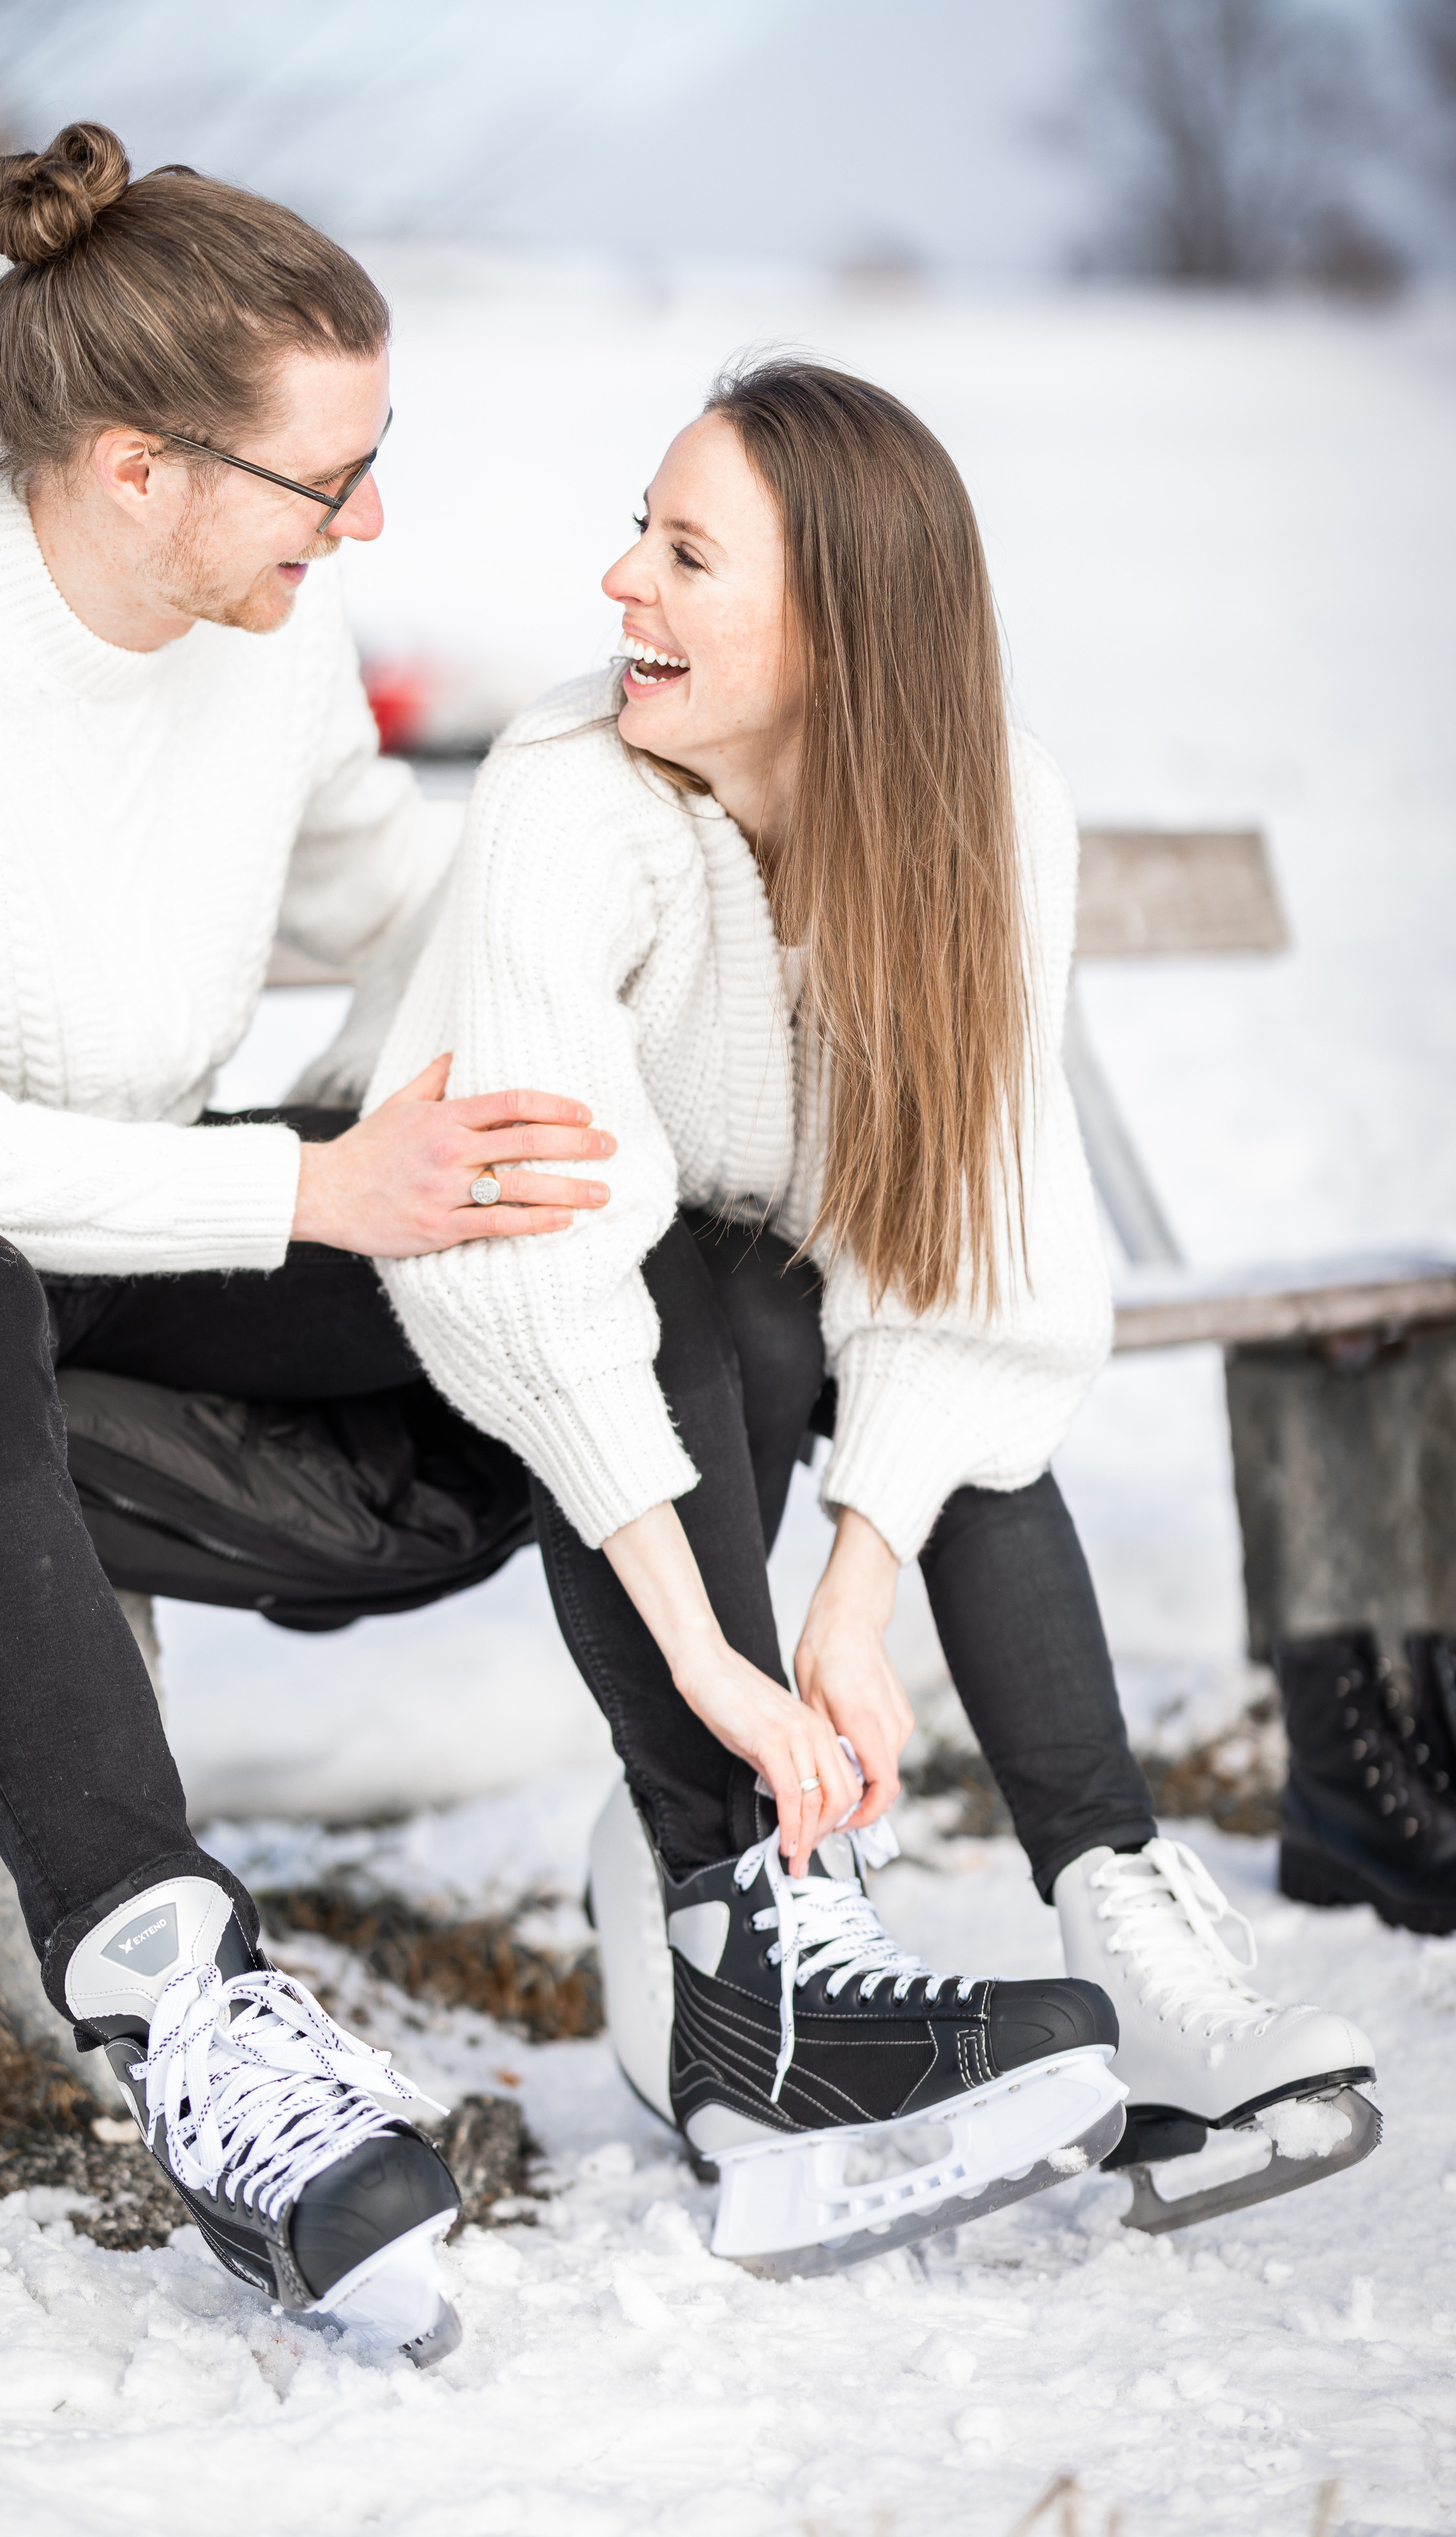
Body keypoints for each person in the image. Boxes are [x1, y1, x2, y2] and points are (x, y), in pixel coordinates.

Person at [0, 122, 624, 2364]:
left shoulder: (262, 635)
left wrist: (644, 887)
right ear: (137, 467)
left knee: (549, 1223)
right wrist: (309, 1187)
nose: (366, 521)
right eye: (331, 478)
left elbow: (382, 892)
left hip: (100, 1205)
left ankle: (746, 1915)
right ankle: (185, 2005)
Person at [370, 358, 1382, 2264]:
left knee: (914, 1388)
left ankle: (1115, 1906)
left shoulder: (987, 814)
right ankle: (730, 1911)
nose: (619, 583)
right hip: (488, 1306)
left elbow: (965, 1263)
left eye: (686, 556)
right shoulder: (570, 797)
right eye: (640, 534)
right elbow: (536, 1262)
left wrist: (852, 1598)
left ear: (835, 630)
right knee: (698, 1283)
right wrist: (721, 1670)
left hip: (762, 1310)